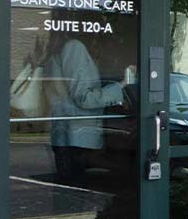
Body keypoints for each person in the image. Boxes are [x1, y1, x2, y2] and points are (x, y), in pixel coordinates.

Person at [36, 26, 135, 184]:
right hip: (76, 138)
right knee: (75, 192)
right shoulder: (75, 48)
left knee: (67, 194)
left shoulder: (58, 52)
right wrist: (122, 85)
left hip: (67, 137)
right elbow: (85, 98)